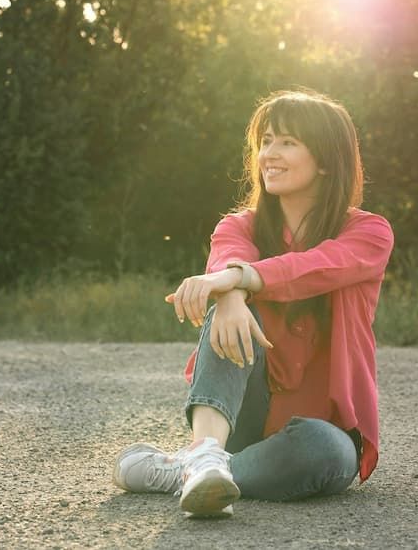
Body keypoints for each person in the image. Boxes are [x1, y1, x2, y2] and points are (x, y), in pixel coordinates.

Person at [113, 89, 394, 518]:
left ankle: (187, 471)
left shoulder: (369, 233)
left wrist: (232, 281)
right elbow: (227, 258)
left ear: (324, 160)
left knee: (324, 450)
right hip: (244, 424)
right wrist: (229, 296)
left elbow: (314, 266)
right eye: (265, 141)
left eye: (287, 142)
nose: (269, 154)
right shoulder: (237, 226)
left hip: (322, 435)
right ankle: (205, 454)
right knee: (231, 309)